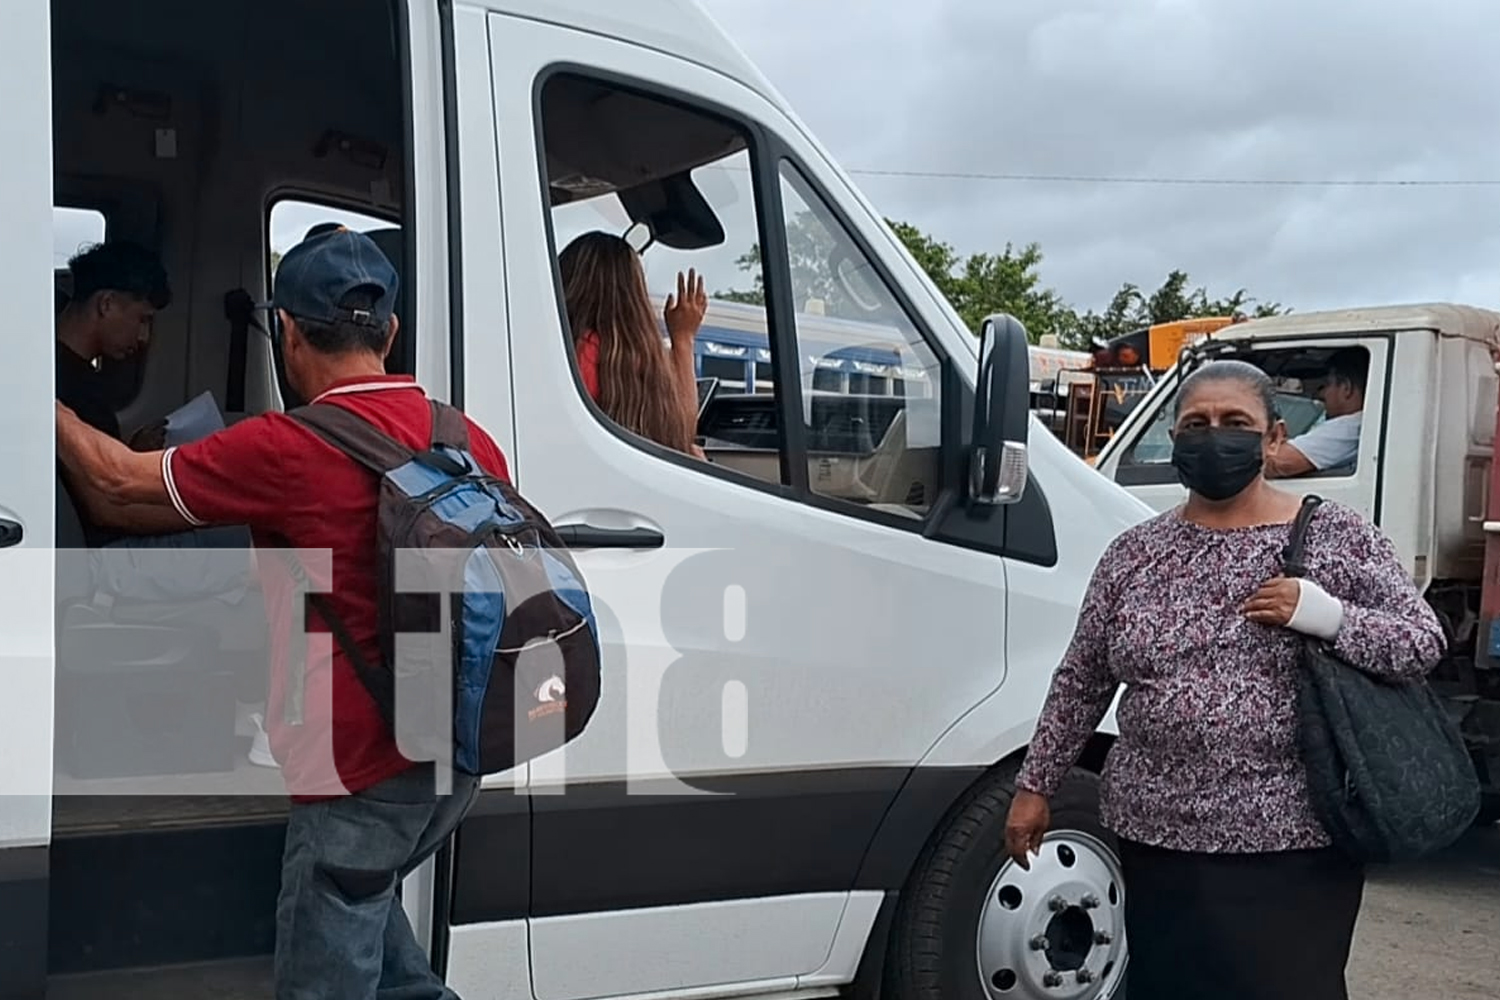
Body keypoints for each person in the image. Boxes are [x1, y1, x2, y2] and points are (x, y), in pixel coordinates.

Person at [55, 226, 509, 1000]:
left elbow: (115, 489)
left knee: (324, 978)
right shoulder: (465, 438)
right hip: (454, 754)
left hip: (357, 773)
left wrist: (26, 380)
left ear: (287, 331)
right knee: (387, 952)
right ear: (389, 331)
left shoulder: (286, 446)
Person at [1003, 359, 1445, 1000]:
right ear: (1176, 440)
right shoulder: (1135, 552)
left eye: (1235, 423)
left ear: (1272, 437)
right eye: (1196, 425)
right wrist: (1035, 785)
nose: (1215, 437)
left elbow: (1420, 643)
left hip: (1292, 838)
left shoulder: (1335, 538)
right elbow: (1082, 677)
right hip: (1156, 836)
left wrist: (1324, 615)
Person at [55, 240, 173, 544]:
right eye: (142, 319)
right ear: (106, 303)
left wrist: (131, 455)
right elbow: (106, 510)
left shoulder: (73, 372)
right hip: (100, 552)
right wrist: (205, 512)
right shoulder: (70, 386)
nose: (144, 337)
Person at [558, 230, 706, 457]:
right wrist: (683, 339)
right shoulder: (642, 358)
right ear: (632, 293)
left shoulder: (572, 350)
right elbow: (681, 432)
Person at [1265, 346, 1366, 477]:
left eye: (1327, 385)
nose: (1321, 394)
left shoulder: (1350, 427)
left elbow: (1274, 463)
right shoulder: (1364, 425)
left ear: (1346, 387)